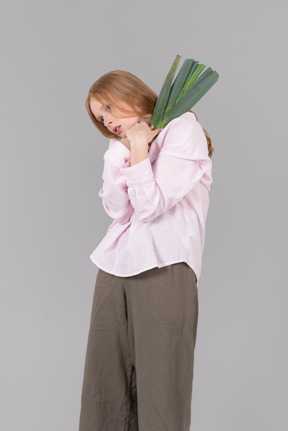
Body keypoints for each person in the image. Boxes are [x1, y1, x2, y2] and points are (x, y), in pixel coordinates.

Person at [79, 70, 214, 431]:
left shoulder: (183, 129)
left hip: (165, 266)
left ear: (135, 96)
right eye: (99, 116)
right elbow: (118, 211)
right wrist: (117, 155)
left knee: (161, 390)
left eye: (108, 107)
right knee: (103, 386)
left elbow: (151, 206)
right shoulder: (118, 146)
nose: (106, 119)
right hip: (114, 266)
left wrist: (139, 150)